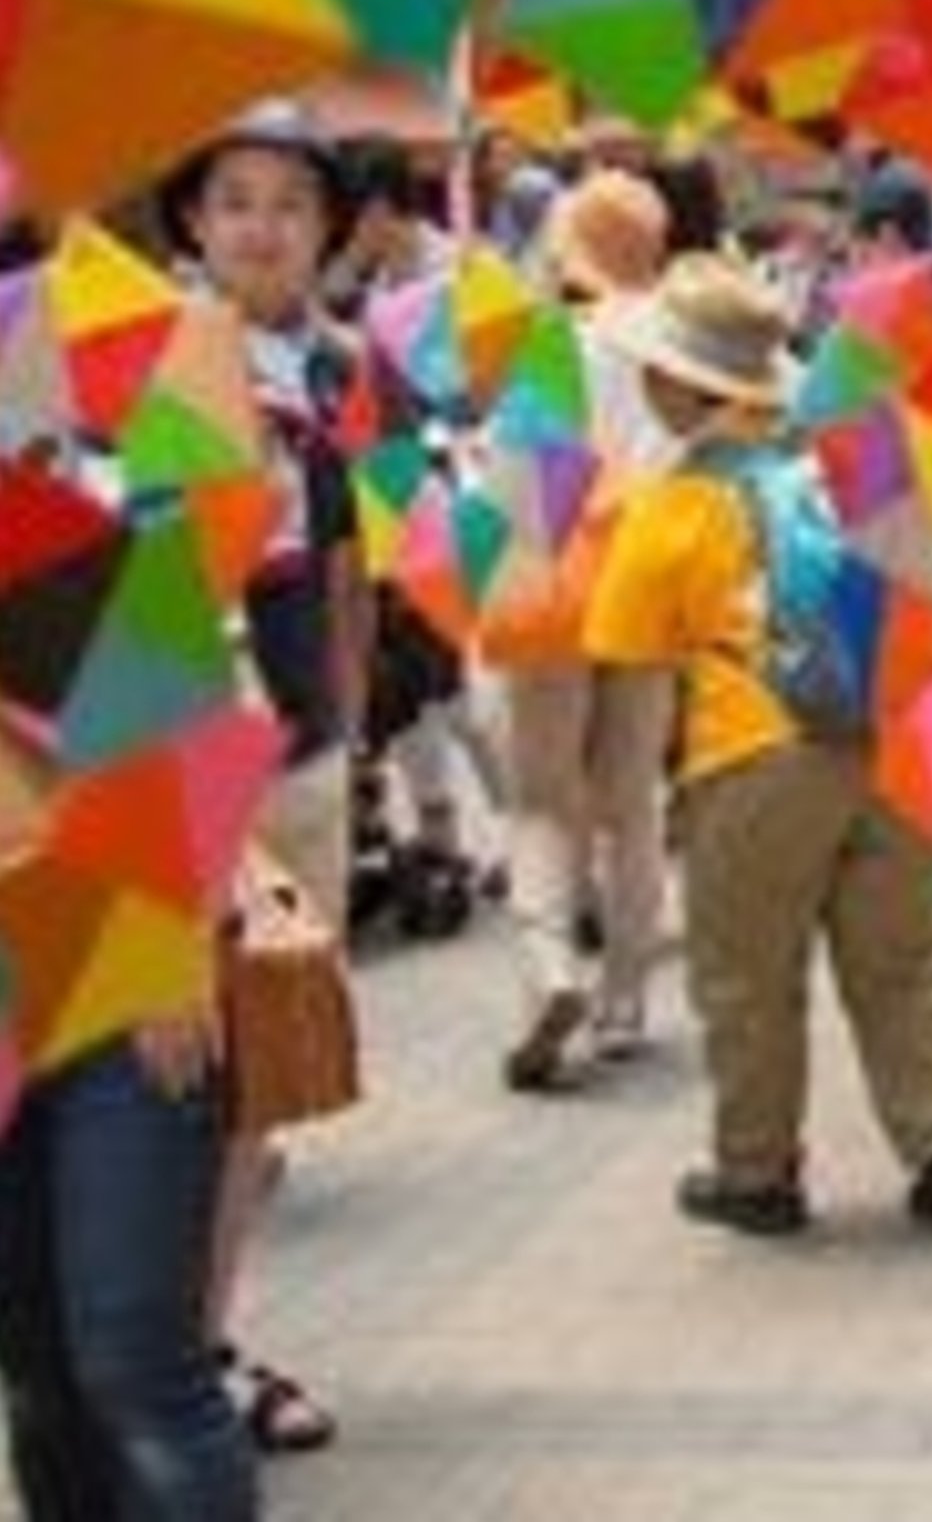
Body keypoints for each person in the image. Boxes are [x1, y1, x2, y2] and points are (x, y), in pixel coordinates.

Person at [581, 255, 932, 1238]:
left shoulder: (672, 506)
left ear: (684, 385)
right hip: (887, 742)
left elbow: (628, 665)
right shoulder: (851, 465)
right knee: (904, 958)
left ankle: (756, 1171)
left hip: (753, 754)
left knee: (749, 976)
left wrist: (621, 800)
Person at [155, 103, 362, 1462]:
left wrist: (348, 727)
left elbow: (346, 562)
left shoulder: (331, 368)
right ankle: (169, 1355)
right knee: (177, 1078)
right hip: (185, 772)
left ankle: (199, 1336)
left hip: (300, 761)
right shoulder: (157, 360)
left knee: (260, 1089)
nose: (263, 225)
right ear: (191, 221)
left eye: (290, 203)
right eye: (234, 199)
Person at [0, 651, 259, 1519]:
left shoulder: (28, 523)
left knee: (137, 1362)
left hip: (116, 986)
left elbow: (192, 723)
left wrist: (168, 954)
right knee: (39, 1379)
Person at [482, 166, 680, 1090]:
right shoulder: (684, 349)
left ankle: (550, 968)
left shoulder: (551, 345)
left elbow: (511, 484)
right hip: (648, 591)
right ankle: (626, 1003)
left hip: (554, 585)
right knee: (632, 802)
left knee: (541, 799)